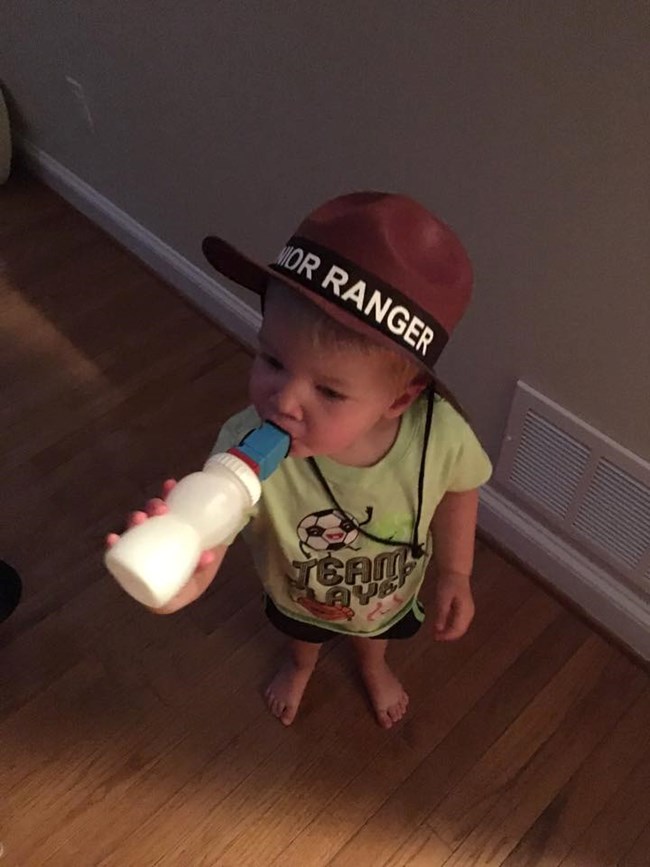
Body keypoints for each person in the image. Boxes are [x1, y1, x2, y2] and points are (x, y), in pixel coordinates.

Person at [107, 192, 492, 729]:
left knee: (376, 637)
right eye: (271, 360)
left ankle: (372, 667)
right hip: (298, 593)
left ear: (398, 400)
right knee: (302, 635)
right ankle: (300, 666)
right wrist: (178, 573)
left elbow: (460, 488)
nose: (284, 401)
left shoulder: (439, 437)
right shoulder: (242, 443)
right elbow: (210, 526)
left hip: (387, 593)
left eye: (329, 392)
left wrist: (456, 571)